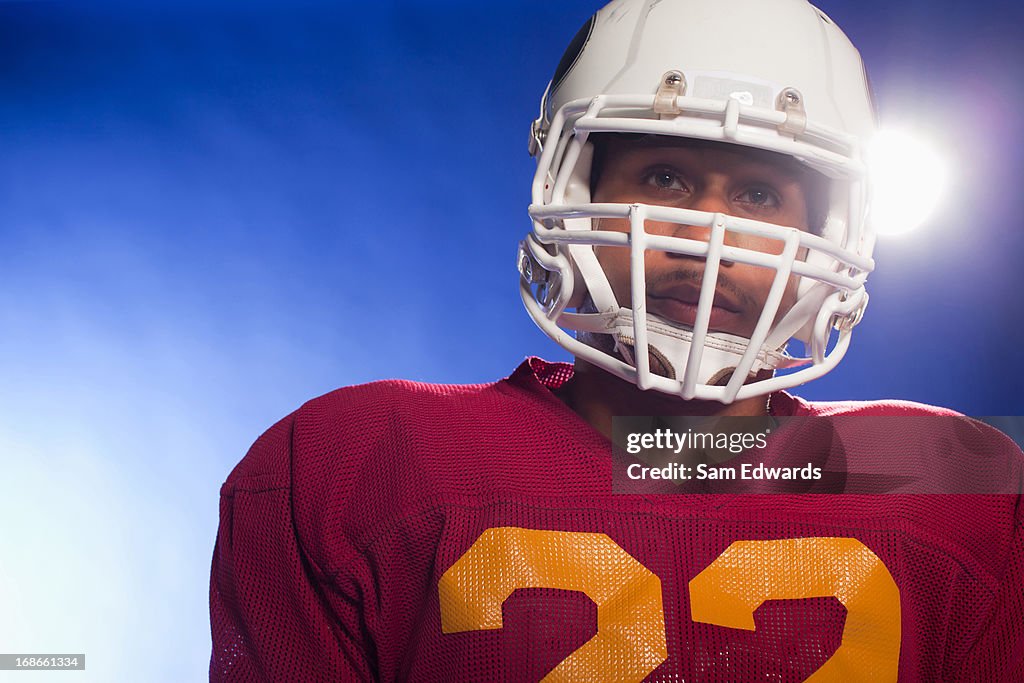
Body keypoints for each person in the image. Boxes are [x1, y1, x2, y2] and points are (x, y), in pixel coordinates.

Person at [209, 0, 1024, 680]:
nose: (708, 233)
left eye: (760, 193)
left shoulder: (952, 479)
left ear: (833, 230)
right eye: (665, 175)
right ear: (574, 190)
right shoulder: (355, 459)